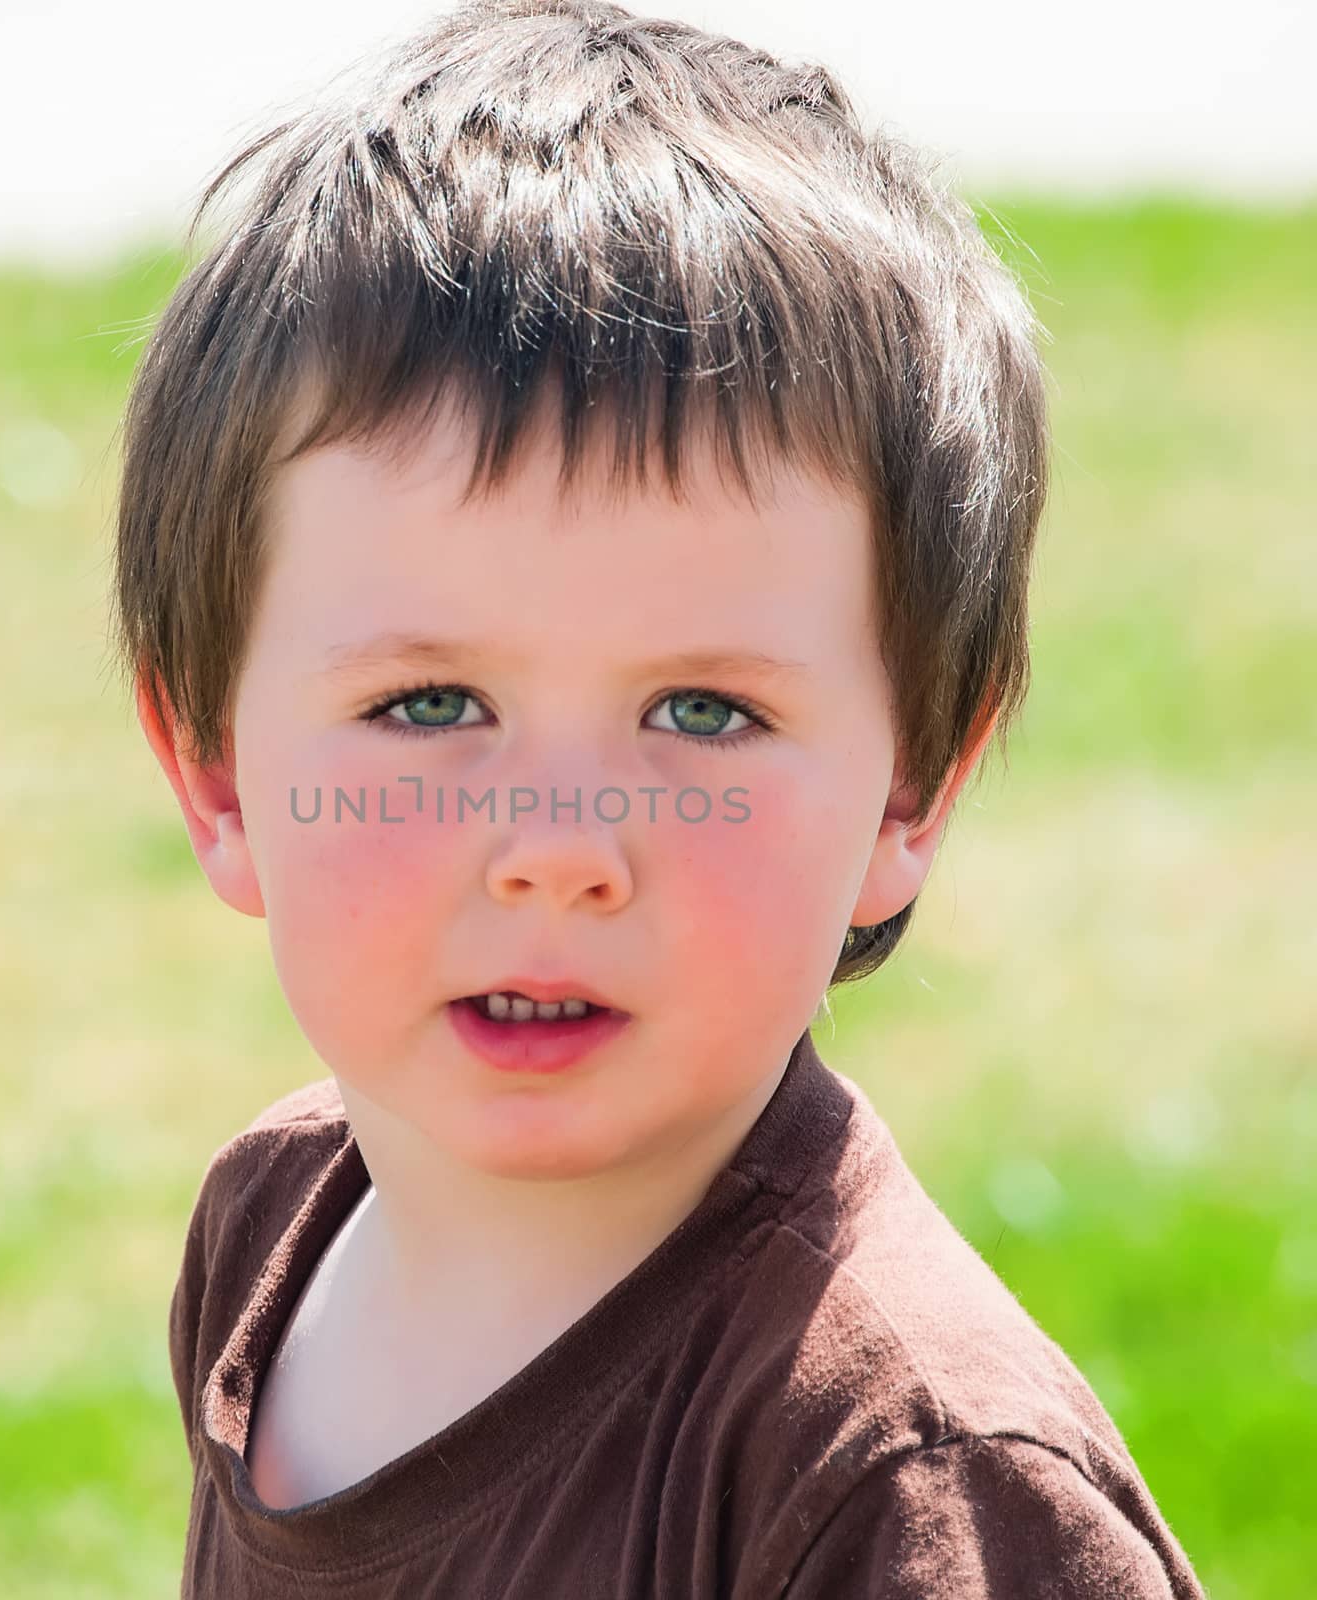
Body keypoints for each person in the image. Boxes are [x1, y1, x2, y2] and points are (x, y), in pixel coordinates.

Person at [113, 1, 1208, 1593]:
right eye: (429, 703)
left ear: (910, 793)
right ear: (215, 773)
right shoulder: (271, 1228)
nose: (562, 854)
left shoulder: (896, 1488)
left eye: (703, 713)